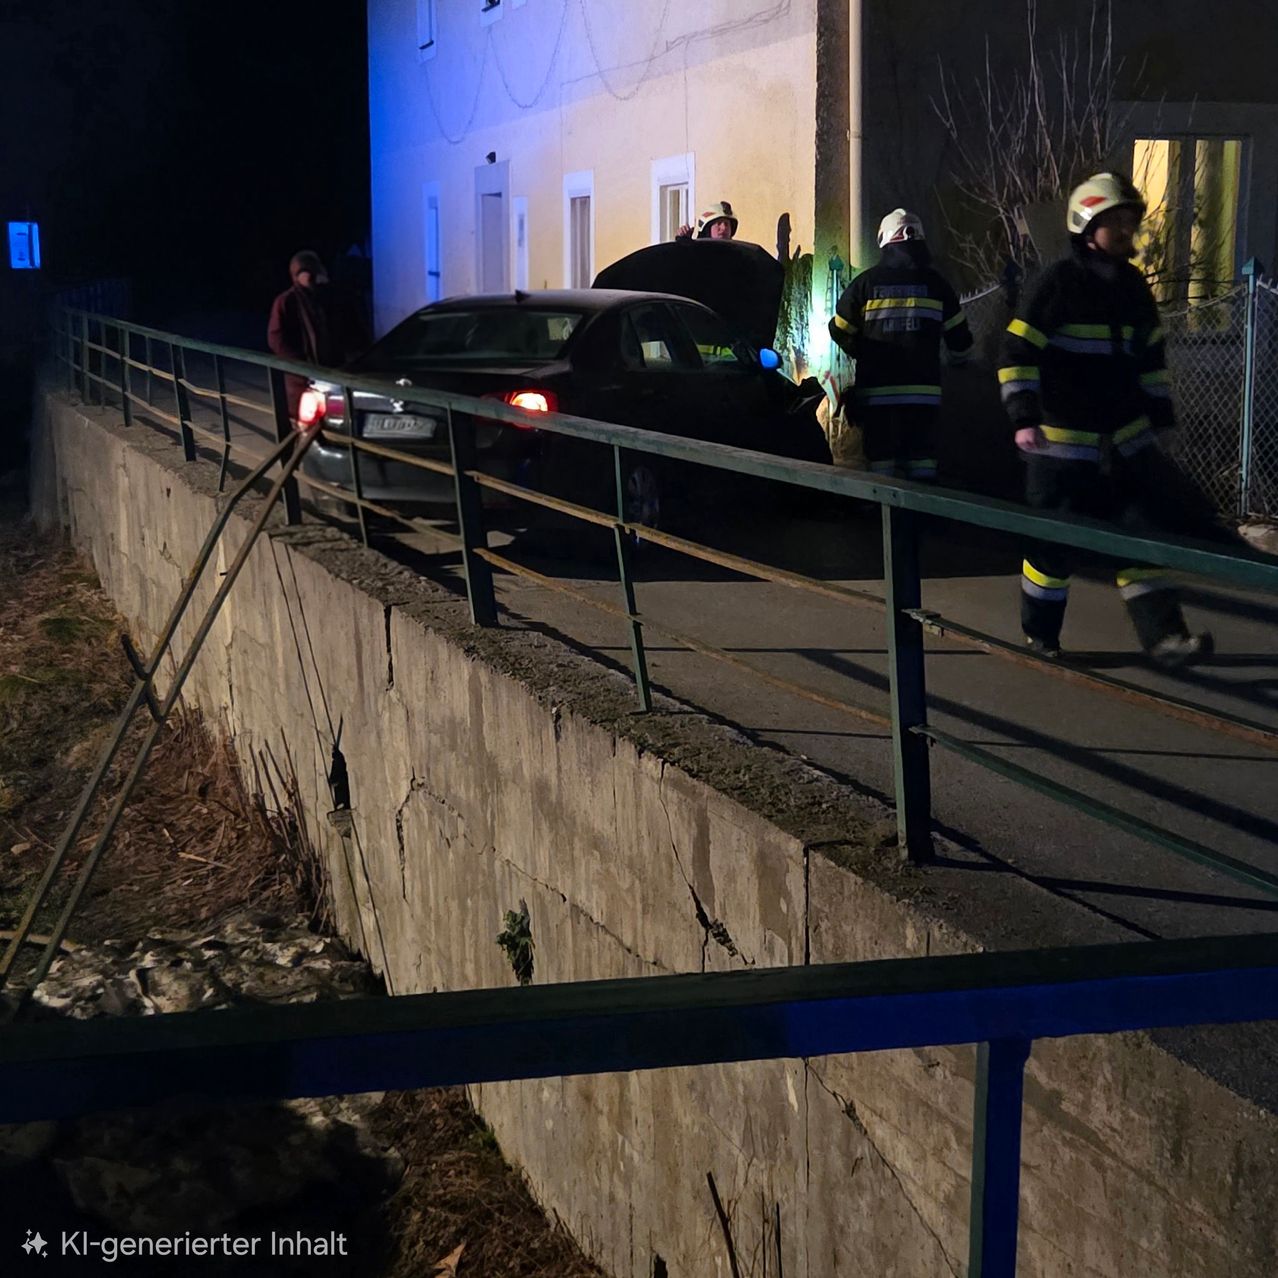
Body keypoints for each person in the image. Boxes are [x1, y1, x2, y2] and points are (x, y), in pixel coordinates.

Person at [1000, 172, 1213, 668]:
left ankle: (1165, 639)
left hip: (1123, 447)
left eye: (1128, 222)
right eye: (1113, 221)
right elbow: (1016, 353)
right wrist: (1023, 417)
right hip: (1061, 450)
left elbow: (1150, 364)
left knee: (1141, 537)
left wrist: (1161, 420)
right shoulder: (1056, 285)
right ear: (1085, 223)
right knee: (1052, 552)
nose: (1124, 231)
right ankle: (1041, 637)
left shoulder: (1134, 289)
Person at [827, 208, 973, 480]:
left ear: (885, 240)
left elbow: (839, 328)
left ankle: (885, 517)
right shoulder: (936, 284)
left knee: (881, 461)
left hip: (877, 391)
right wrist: (960, 361)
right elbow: (960, 340)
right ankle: (920, 517)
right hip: (924, 392)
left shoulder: (866, 284)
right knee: (922, 460)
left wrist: (863, 352)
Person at [267, 250, 370, 420]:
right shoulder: (286, 301)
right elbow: (277, 339)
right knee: (304, 422)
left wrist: (357, 357)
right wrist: (301, 366)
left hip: (334, 372)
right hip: (302, 379)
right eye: (307, 273)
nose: (312, 279)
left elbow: (354, 329)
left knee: (336, 419)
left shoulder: (334, 297)